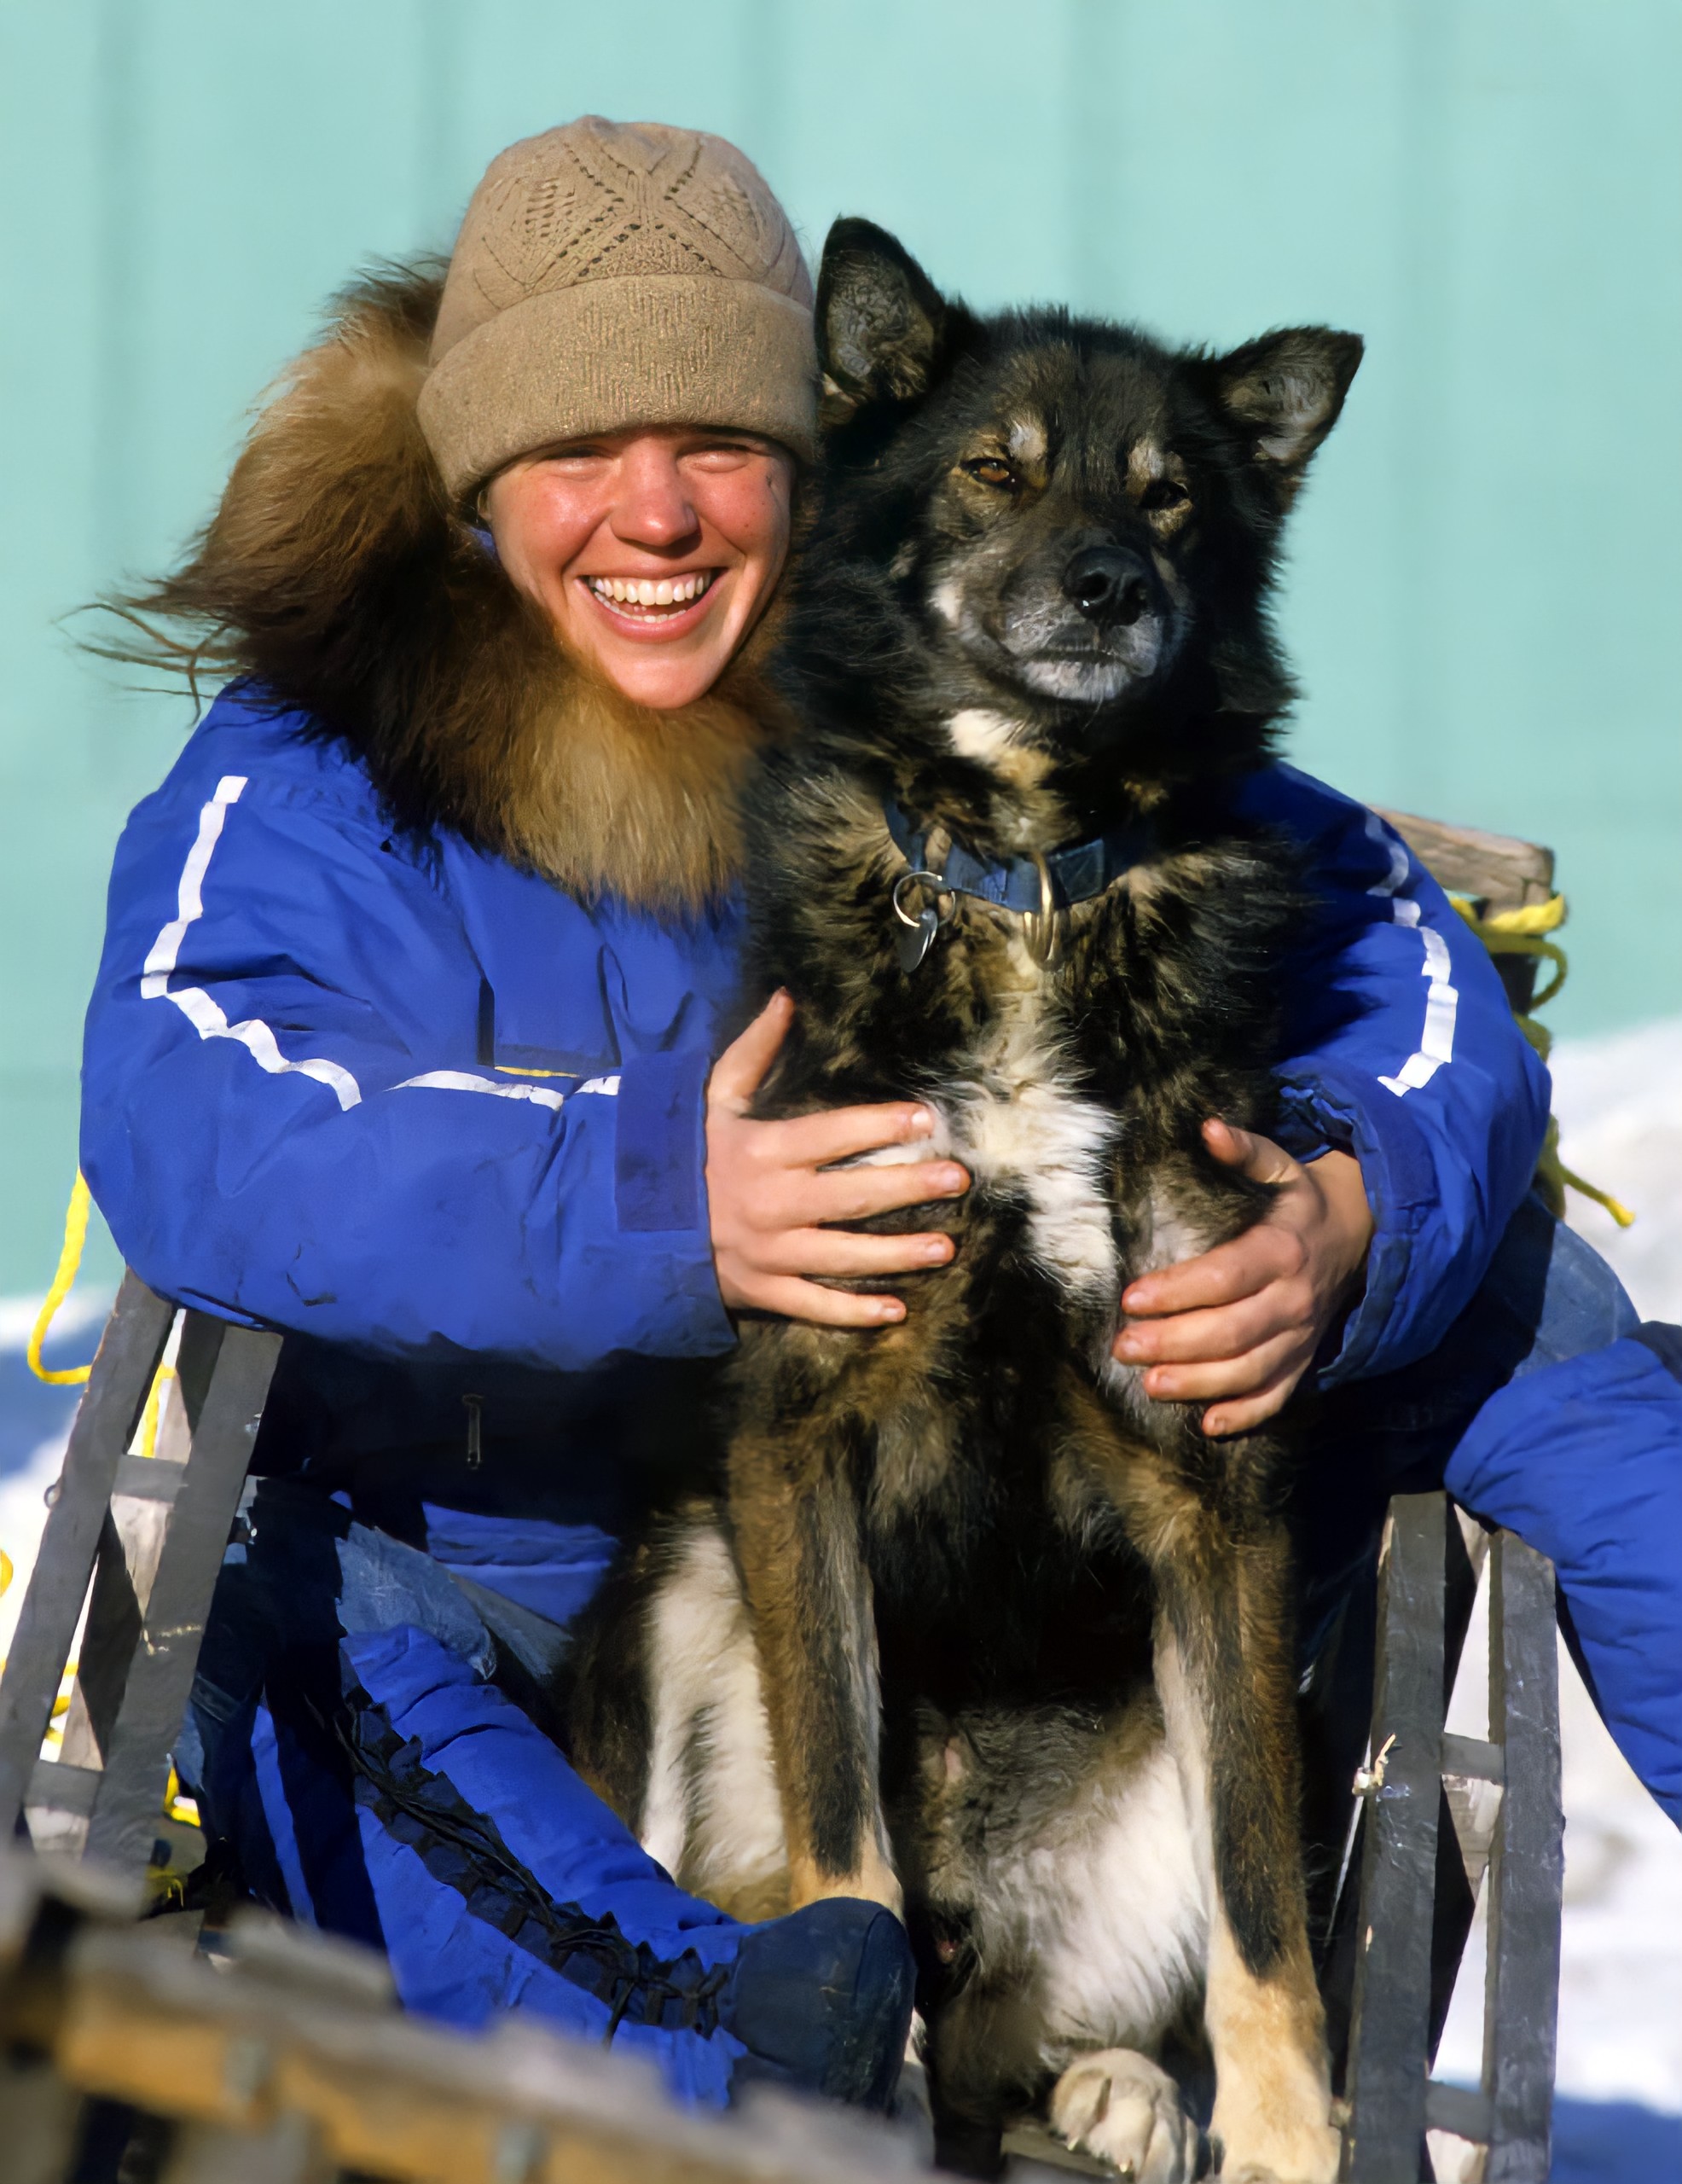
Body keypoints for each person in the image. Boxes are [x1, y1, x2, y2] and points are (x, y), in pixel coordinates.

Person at [78, 115, 1677, 2120]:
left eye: (717, 446)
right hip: (498, 1571)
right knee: (294, 1600)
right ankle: (763, 2048)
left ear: (811, 467)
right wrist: (668, 1200)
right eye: (578, 449)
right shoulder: (315, 775)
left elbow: (1402, 959)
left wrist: (1346, 1211)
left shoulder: (920, 692)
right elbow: (192, 1122)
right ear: (480, 479)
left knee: (1547, 1330)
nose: (651, 514)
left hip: (984, 1580)